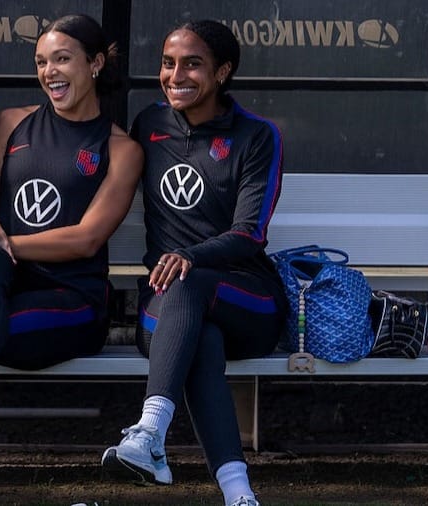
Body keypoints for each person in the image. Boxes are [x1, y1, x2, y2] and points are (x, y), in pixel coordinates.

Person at [0, 14, 143, 506]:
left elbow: (87, 239)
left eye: (62, 59)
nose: (50, 72)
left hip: (73, 303)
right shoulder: (12, 122)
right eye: (41, 61)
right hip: (2, 288)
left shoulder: (120, 148)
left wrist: (6, 241)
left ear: (96, 63)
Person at [100, 20, 285, 506]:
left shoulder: (256, 136)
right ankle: (239, 493)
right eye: (167, 62)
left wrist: (190, 255)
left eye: (192, 64)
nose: (175, 74)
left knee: (186, 280)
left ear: (223, 72)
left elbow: (250, 233)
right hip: (168, 312)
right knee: (198, 337)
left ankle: (149, 431)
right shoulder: (150, 126)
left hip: (246, 301)